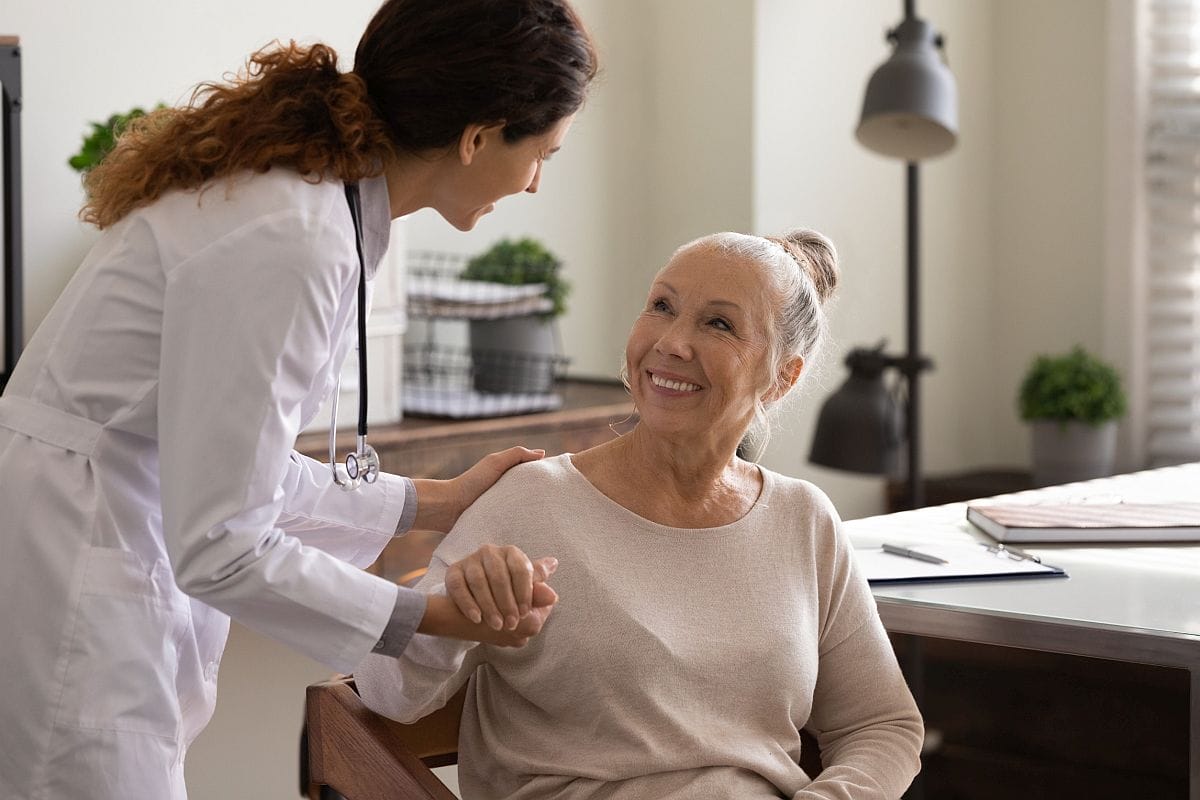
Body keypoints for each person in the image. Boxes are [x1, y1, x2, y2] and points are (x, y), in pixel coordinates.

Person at [0, 1, 596, 797]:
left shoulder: (313, 207)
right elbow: (223, 539)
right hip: (72, 563)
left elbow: (232, 469)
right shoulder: (293, 238)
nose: (533, 183)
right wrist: (422, 618)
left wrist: (433, 500)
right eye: (542, 154)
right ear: (479, 134)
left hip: (92, 529)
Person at [356, 230, 925, 799]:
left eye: (719, 324)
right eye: (662, 307)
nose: (673, 342)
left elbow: (882, 724)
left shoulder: (803, 519)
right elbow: (386, 693)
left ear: (783, 378)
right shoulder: (528, 501)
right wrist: (453, 616)